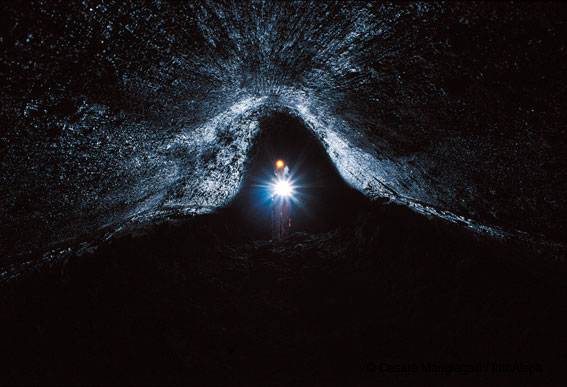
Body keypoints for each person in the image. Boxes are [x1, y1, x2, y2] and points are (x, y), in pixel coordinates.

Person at [272, 159, 292, 240]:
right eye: (279, 169)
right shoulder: (274, 179)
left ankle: (285, 236)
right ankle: (275, 238)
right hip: (277, 198)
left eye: (282, 169)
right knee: (276, 218)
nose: (281, 171)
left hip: (286, 197)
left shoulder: (287, 178)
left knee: (286, 218)